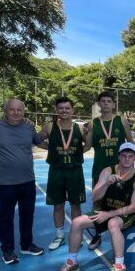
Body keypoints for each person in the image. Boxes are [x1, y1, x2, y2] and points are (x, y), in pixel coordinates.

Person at [51, 142, 135, 271]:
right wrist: (106, 184)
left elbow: (133, 208)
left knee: (113, 223)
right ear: (119, 156)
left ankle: (120, 267)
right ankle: (72, 262)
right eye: (124, 155)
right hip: (105, 211)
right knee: (76, 222)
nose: (127, 159)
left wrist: (108, 215)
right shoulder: (108, 171)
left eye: (130, 156)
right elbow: (95, 197)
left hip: (125, 214)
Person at [0, 99, 45, 265]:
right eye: (12, 110)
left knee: (27, 215)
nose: (15, 113)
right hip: (5, 182)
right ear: (5, 111)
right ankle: (7, 249)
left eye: (19, 110)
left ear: (24, 112)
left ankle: (26, 245)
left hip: (28, 180)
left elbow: (40, 142)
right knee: (6, 217)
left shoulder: (29, 127)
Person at [38, 97, 90, 251]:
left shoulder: (80, 128)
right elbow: (36, 139)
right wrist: (50, 148)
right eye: (61, 108)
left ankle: (76, 233)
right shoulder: (50, 127)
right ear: (57, 110)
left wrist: (90, 132)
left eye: (67, 108)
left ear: (72, 110)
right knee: (58, 205)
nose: (64, 111)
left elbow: (88, 145)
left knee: (76, 204)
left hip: (75, 171)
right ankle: (60, 236)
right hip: (56, 171)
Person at [86, 91, 134, 250]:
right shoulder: (94, 123)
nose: (106, 104)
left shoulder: (122, 120)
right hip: (100, 168)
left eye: (109, 101)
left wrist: (133, 166)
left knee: (124, 199)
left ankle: (126, 230)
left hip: (121, 168)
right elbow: (87, 145)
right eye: (103, 101)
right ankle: (97, 234)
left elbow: (131, 143)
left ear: (113, 104)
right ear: (99, 104)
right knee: (98, 202)